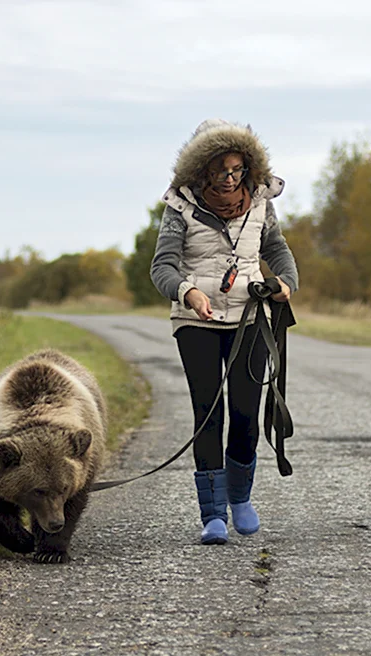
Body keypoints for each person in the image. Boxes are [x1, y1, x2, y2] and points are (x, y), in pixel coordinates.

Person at [150, 119, 299, 545]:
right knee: (208, 413)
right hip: (197, 320)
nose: (230, 178)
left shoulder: (260, 203)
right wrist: (188, 292)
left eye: (237, 169)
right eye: (221, 171)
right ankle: (213, 514)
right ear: (203, 171)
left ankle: (240, 499)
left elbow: (276, 249)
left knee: (247, 413)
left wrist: (287, 282)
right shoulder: (180, 207)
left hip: (252, 318)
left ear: (247, 167)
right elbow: (161, 267)